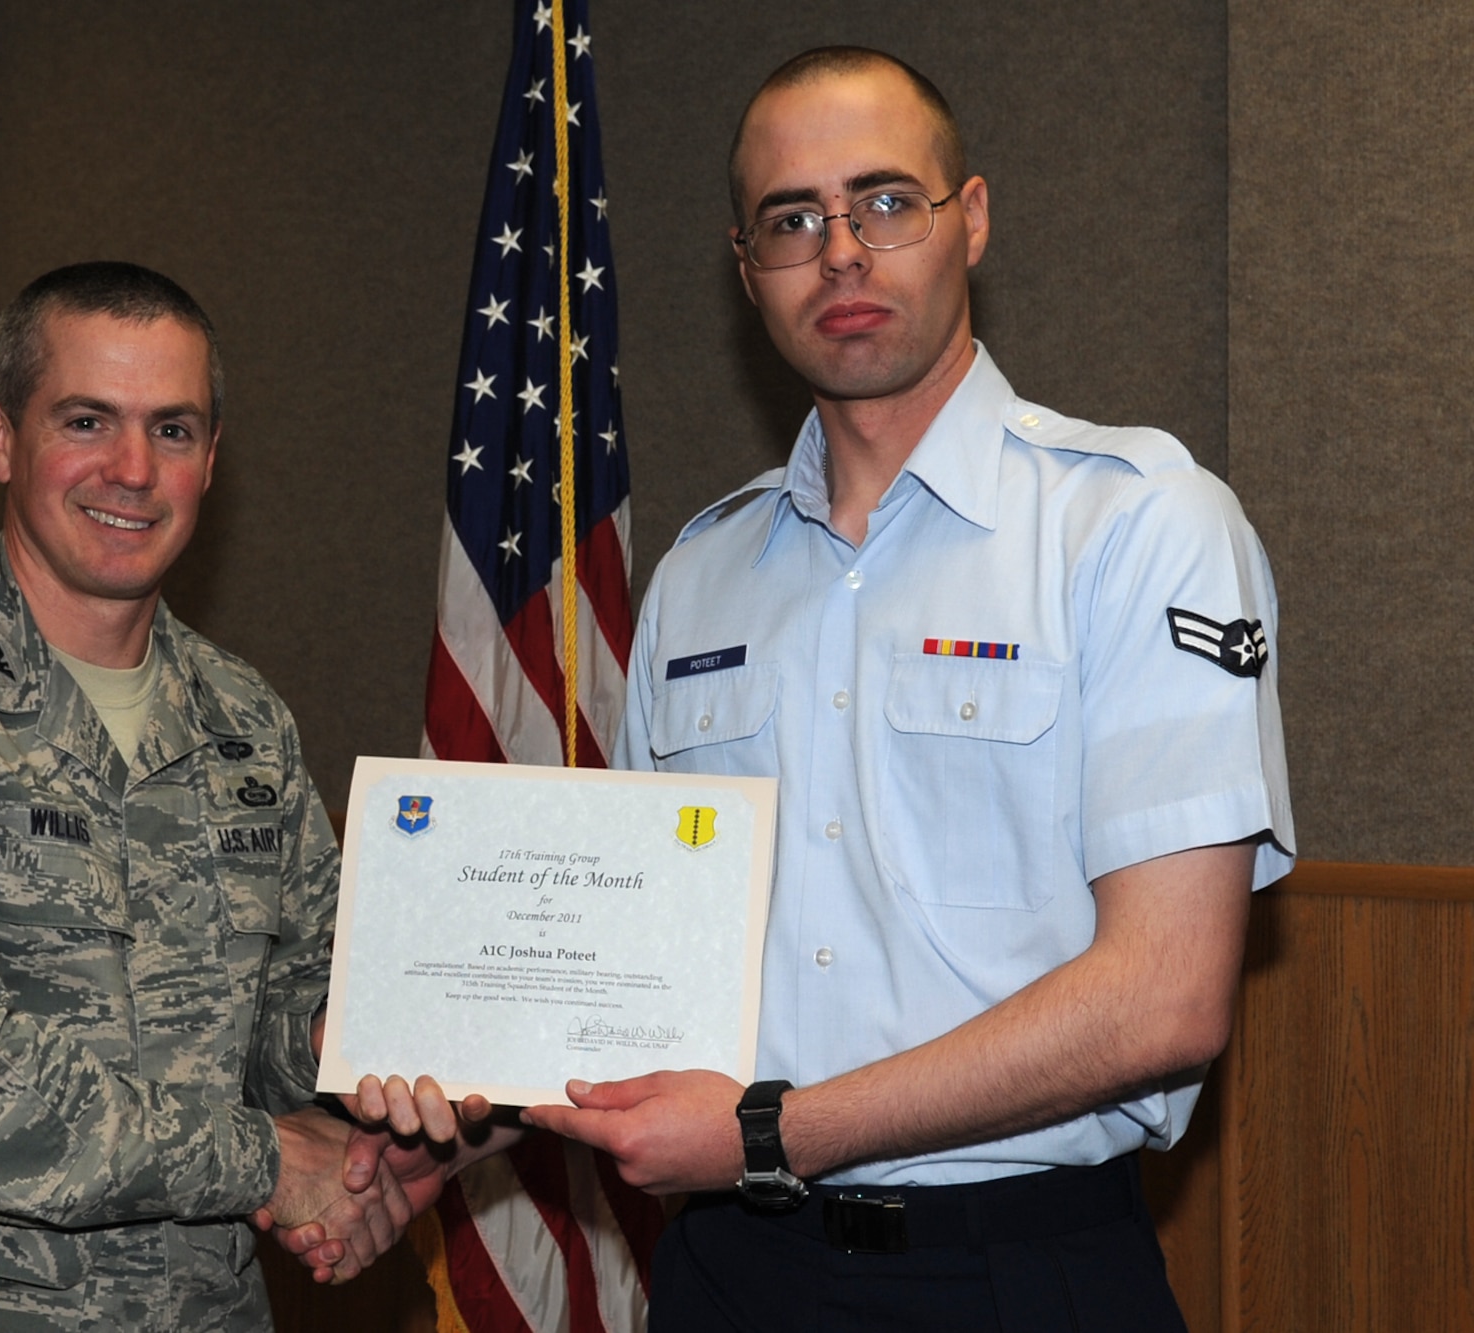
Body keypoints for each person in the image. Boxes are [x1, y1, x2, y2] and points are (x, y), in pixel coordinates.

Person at [305, 46, 1293, 1330]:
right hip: (730, 1275)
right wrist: (451, 1129)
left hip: (1013, 1273)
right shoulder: (698, 579)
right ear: (744, 268)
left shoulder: (1135, 528)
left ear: (971, 218)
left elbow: (1164, 998)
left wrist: (772, 1130)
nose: (839, 251)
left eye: (884, 201)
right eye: (791, 219)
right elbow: (639, 979)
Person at [0, 261, 435, 1331]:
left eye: (172, 429)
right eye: (85, 420)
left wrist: (404, 1048)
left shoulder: (243, 720)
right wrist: (267, 1162)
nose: (130, 469)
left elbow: (284, 1010)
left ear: (211, 457)